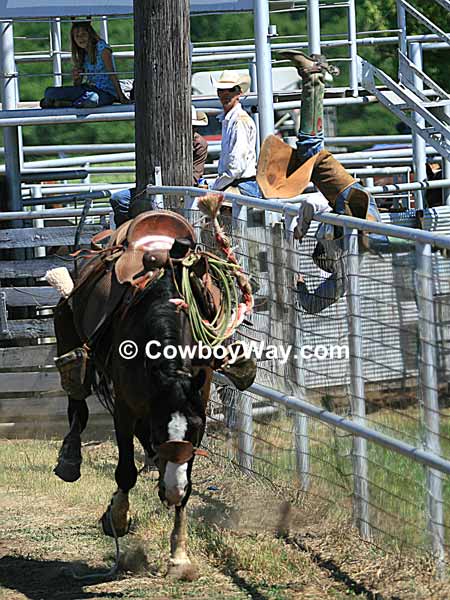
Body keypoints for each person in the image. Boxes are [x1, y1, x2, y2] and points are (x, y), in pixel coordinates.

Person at [256, 50, 388, 313]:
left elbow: (312, 305)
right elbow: (313, 202)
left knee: (311, 151)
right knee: (311, 150)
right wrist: (302, 228)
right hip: (353, 202)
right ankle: (313, 79)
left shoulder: (343, 275)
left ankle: (314, 78)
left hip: (352, 203)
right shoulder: (345, 268)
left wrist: (300, 285)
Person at [110, 106, 209, 226]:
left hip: (181, 191)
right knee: (118, 199)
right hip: (150, 187)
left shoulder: (199, 144)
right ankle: (127, 231)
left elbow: (195, 174)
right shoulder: (160, 138)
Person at [40, 20, 128, 109]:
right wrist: (76, 77)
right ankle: (68, 102)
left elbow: (112, 74)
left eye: (83, 35)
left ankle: (65, 103)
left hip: (105, 92)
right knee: (49, 92)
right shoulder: (82, 53)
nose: (80, 38)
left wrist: (121, 96)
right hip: (87, 89)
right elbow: (77, 85)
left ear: (90, 35)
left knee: (92, 99)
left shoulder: (103, 49)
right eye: (77, 36)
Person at [210, 70, 258, 195]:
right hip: (238, 184)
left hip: (241, 186)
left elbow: (236, 166)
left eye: (230, 90)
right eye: (221, 90)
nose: (225, 94)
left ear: (239, 92)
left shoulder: (239, 121)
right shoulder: (231, 120)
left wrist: (215, 187)